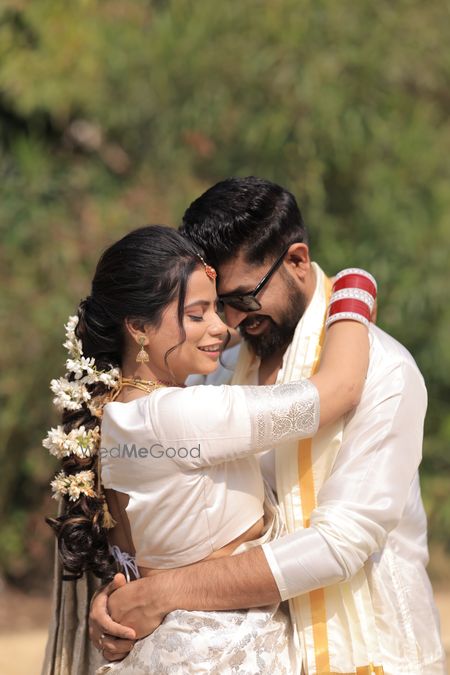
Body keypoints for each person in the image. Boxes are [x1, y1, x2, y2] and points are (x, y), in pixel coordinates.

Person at [90, 178, 446, 675]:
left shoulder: (383, 369)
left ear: (297, 260)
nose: (230, 322)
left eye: (243, 298)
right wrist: (122, 599)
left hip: (369, 650)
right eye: (215, 305)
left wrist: (161, 593)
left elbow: (339, 543)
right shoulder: (212, 369)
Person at [42, 224, 372, 674]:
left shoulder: (118, 415)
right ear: (138, 328)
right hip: (218, 653)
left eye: (218, 308)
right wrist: (354, 287)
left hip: (175, 649)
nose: (222, 327)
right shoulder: (180, 416)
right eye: (197, 315)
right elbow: (339, 390)